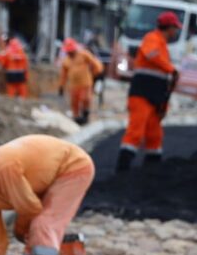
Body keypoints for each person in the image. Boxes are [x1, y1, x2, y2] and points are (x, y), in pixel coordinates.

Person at [117, 11, 181, 171]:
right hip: (142, 93)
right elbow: (152, 55)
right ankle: (122, 169)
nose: (177, 31)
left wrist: (164, 103)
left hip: (155, 96)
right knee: (136, 131)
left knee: (155, 134)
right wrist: (171, 69)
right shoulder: (152, 38)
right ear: (169, 27)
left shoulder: (163, 45)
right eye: (176, 28)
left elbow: (164, 76)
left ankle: (152, 169)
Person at [58, 38, 104, 125]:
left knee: (86, 99)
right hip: (73, 85)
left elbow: (95, 63)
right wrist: (61, 86)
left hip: (85, 83)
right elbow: (63, 75)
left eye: (70, 51)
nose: (69, 53)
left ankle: (85, 114)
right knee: (74, 102)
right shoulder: (66, 61)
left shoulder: (84, 54)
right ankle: (76, 118)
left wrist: (97, 74)